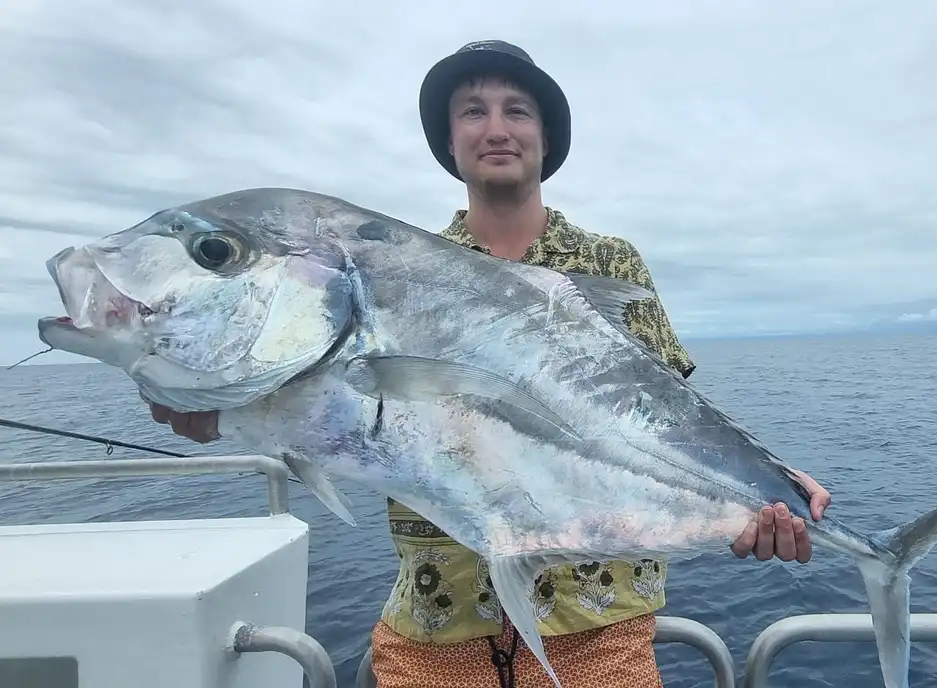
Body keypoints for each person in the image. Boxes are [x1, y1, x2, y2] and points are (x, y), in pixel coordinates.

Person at [148, 39, 832, 688]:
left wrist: (769, 488)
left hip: (601, 634)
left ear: (546, 137)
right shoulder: (396, 272)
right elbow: (328, 409)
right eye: (472, 111)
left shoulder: (610, 264)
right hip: (435, 630)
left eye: (517, 110)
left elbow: (665, 424)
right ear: (450, 141)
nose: (495, 127)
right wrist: (223, 411)